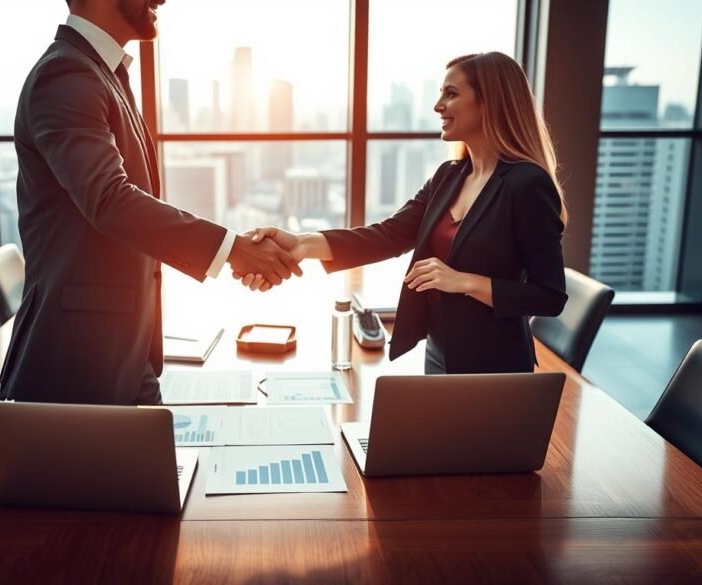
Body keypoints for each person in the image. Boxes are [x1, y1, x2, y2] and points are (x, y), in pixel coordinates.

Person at [0, 0, 300, 406]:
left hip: (119, 346)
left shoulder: (101, 73)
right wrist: (233, 249)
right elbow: (110, 199)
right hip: (76, 365)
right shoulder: (65, 75)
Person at [241, 52, 568, 374]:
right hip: (440, 352)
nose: (438, 106)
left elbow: (549, 297)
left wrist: (462, 281)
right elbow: (388, 235)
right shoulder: (449, 176)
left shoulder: (527, 185)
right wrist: (300, 245)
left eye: (451, 94)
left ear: (489, 104)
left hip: (494, 364)